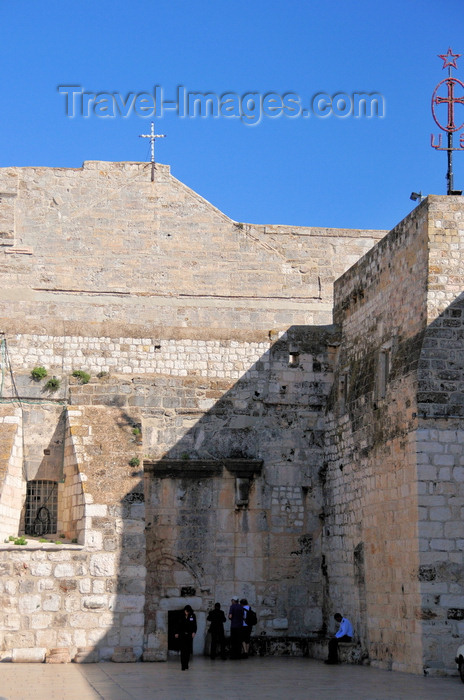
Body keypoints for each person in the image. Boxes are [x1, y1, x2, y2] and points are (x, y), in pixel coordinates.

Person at [175, 604, 197, 670]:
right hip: (182, 635)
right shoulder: (181, 616)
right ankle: (183, 665)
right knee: (183, 650)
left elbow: (194, 625)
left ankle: (186, 664)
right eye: (186, 611)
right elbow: (177, 625)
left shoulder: (192, 616)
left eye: (188, 612)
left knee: (187, 651)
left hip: (189, 635)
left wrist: (194, 632)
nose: (187, 613)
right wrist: (176, 632)